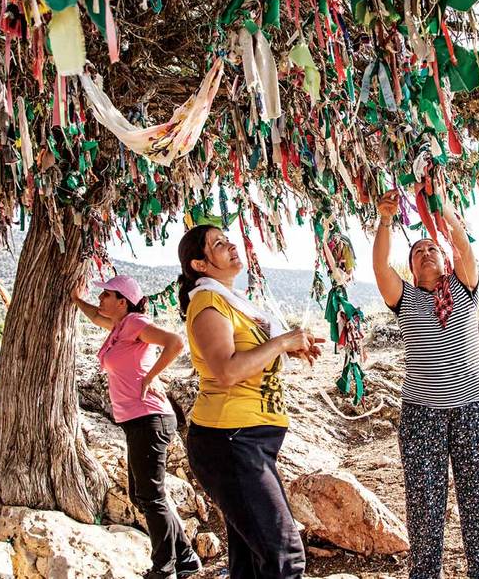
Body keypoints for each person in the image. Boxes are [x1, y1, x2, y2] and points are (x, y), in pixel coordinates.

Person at [177, 225, 323, 579]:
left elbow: (251, 356)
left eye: (228, 240)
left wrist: (290, 347)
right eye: (218, 244)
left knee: (251, 563)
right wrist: (282, 343)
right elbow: (226, 371)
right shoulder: (207, 302)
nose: (230, 246)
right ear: (200, 264)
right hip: (230, 441)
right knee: (284, 557)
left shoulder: (232, 302)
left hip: (250, 441)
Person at [373, 189, 479, 578]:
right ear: (411, 269)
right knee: (424, 501)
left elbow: (462, 243)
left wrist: (439, 205)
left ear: (445, 260)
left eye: (432, 249)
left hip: (474, 409)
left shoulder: (463, 288)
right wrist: (385, 219)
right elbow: (380, 267)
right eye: (417, 252)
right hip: (422, 415)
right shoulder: (406, 298)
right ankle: (425, 573)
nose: (426, 254)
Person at [71, 274, 202, 579]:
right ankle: (185, 557)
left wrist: (150, 376)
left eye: (107, 295)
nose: (101, 299)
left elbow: (175, 341)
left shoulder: (133, 324)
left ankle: (163, 567)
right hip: (136, 420)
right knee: (142, 495)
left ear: (123, 301)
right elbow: (93, 314)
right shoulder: (118, 329)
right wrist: (76, 300)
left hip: (150, 417)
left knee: (151, 495)